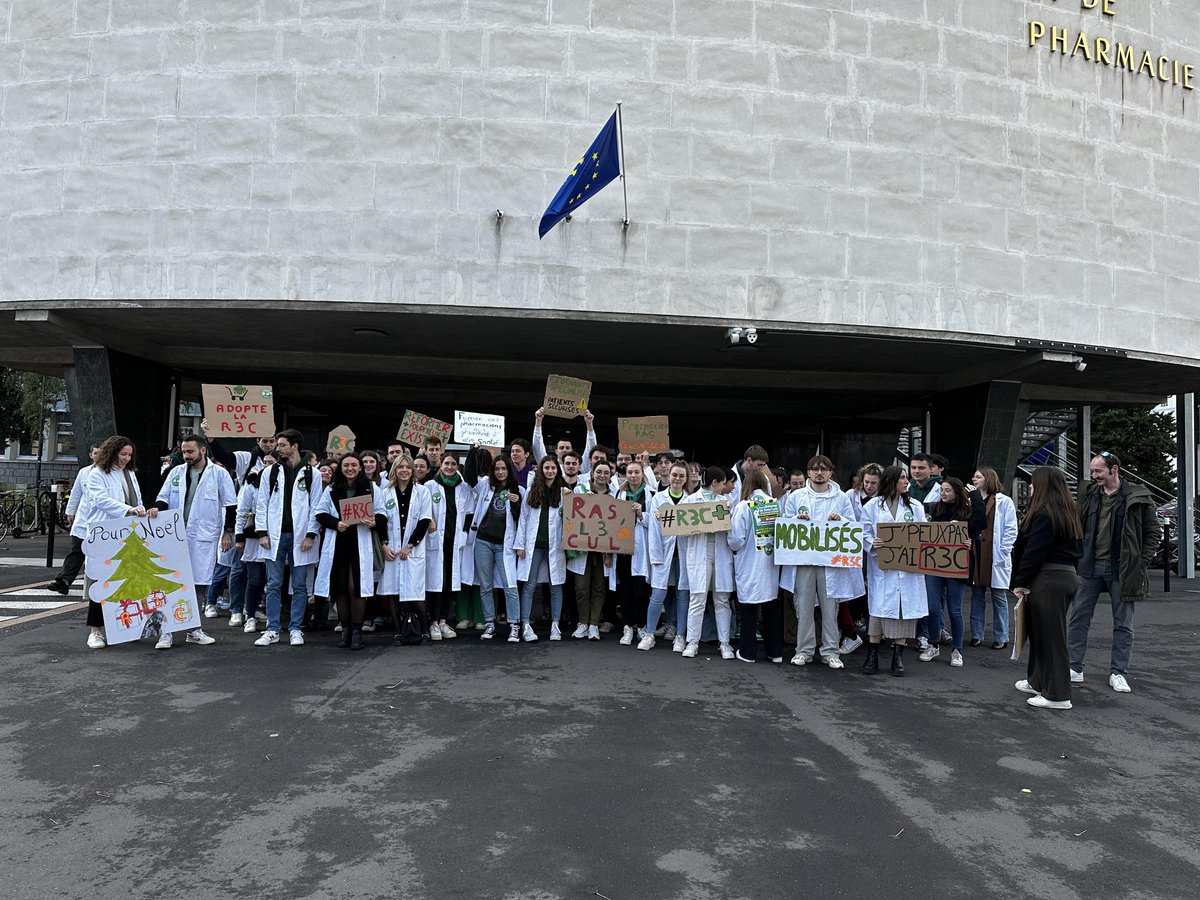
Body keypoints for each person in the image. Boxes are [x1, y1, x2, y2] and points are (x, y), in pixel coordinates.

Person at [1068, 451, 1161, 694]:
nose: (1094, 475)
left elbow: (1153, 532)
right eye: (1093, 471)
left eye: (1099, 471)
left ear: (1114, 470)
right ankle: (1074, 667)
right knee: (1078, 618)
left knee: (1123, 624)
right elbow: (1078, 524)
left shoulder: (1137, 496)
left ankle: (1118, 673)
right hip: (1089, 566)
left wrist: (1141, 561)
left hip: (1122, 569)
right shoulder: (1088, 493)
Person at [150, 434, 236, 648]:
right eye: (184, 452)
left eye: (190, 452)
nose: (186, 456)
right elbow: (164, 497)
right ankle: (166, 632)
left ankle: (193, 629)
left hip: (203, 536)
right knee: (170, 582)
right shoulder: (176, 472)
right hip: (175, 534)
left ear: (203, 450)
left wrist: (228, 532)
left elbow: (231, 505)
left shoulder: (219, 474)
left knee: (198, 583)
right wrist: (156, 509)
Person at [1011, 467, 1084, 710]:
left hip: (1048, 577)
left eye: (1033, 484)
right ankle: (1038, 681)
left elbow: (1033, 552)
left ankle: (1058, 695)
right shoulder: (1066, 511)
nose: (1030, 488)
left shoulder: (1043, 514)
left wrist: (1020, 581)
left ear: (1042, 486)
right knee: (1043, 633)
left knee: (1051, 637)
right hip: (1063, 575)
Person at [783, 455, 860, 669]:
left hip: (830, 562)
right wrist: (795, 521)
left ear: (830, 473)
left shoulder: (841, 498)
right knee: (803, 605)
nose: (819, 473)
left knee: (830, 608)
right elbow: (784, 523)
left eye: (823, 469)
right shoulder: (796, 496)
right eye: (815, 469)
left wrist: (840, 520)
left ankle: (830, 651)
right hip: (804, 560)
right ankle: (804, 650)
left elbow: (853, 525)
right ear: (808, 472)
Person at [253, 429, 322, 648]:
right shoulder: (270, 472)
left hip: (301, 536)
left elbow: (316, 506)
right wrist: (262, 532)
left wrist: (311, 534)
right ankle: (272, 629)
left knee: (300, 585)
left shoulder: (313, 474)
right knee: (273, 584)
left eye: (281, 445)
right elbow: (261, 503)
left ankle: (295, 628)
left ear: (294, 446)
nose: (277, 448)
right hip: (274, 535)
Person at [81, 436, 151, 649]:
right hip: (104, 534)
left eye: (129, 455)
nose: (126, 459)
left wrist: (140, 511)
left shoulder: (129, 473)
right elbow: (100, 500)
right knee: (101, 583)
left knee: (126, 581)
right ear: (111, 453)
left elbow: (136, 499)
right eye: (123, 454)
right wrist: (128, 510)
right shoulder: (97, 474)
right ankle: (95, 631)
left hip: (127, 535)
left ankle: (124, 625)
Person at [860, 465, 929, 676]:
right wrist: (873, 543)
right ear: (891, 481)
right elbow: (863, 532)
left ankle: (898, 657)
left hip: (907, 570)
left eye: (906, 478)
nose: (906, 481)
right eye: (902, 478)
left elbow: (924, 534)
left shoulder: (915, 506)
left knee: (903, 611)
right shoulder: (872, 506)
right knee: (878, 613)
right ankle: (872, 656)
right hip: (883, 570)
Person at [313, 454, 387, 650]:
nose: (350, 468)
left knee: (357, 588)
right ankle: (345, 630)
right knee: (340, 587)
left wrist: (374, 522)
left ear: (360, 468)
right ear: (341, 468)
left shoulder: (371, 488)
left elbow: (382, 513)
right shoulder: (331, 489)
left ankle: (357, 631)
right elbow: (320, 513)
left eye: (354, 465)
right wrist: (336, 523)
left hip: (360, 541)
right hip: (339, 541)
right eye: (346, 465)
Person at [920, 478, 982, 667]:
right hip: (934, 565)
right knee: (932, 607)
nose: (944, 493)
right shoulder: (934, 509)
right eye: (942, 490)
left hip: (956, 565)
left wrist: (975, 497)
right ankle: (933, 643)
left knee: (955, 610)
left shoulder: (966, 511)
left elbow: (980, 523)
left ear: (956, 491)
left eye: (948, 490)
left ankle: (956, 649)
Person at [677, 466, 736, 659]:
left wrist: (729, 514)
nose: (725, 487)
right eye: (723, 483)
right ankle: (692, 642)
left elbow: (733, 530)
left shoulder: (726, 501)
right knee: (698, 598)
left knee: (722, 599)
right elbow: (679, 528)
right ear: (715, 483)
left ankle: (724, 643)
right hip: (699, 553)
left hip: (720, 553)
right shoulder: (691, 501)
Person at [728, 469, 783, 663]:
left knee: (749, 608)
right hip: (771, 564)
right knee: (771, 608)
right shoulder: (775, 505)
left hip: (750, 562)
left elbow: (736, 539)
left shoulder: (744, 506)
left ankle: (748, 652)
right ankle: (775, 651)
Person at [466, 454, 523, 640]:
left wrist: (516, 504)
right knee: (486, 586)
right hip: (483, 541)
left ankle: (515, 624)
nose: (500, 472)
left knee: (510, 585)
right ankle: (489, 624)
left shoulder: (519, 490)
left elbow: (521, 520)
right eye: (497, 469)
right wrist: (472, 450)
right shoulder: (485, 486)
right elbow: (468, 476)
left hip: (504, 545)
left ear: (509, 470)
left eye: (503, 468)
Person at [377, 454, 433, 642]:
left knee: (416, 591)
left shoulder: (422, 491)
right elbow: (381, 520)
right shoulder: (385, 493)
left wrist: (410, 545)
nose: (404, 471)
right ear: (394, 470)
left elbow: (425, 520)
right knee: (392, 590)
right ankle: (398, 631)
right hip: (392, 549)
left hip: (412, 550)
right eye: (400, 467)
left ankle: (424, 630)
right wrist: (384, 545)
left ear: (413, 471)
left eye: (408, 467)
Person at [515, 455, 568, 641]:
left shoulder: (564, 493)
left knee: (556, 586)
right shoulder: (532, 492)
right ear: (541, 470)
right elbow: (523, 519)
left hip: (555, 546)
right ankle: (526, 624)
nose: (550, 471)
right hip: (534, 545)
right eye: (547, 468)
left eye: (553, 468)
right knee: (529, 585)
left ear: (557, 470)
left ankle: (555, 624)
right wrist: (519, 545)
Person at [640, 461, 691, 651]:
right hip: (663, 553)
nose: (677, 479)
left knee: (682, 594)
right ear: (668, 476)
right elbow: (653, 531)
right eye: (674, 475)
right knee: (658, 594)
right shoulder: (658, 499)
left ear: (686, 479)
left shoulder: (691, 501)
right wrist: (655, 556)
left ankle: (679, 635)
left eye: (681, 476)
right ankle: (650, 633)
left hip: (684, 555)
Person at [968, 466, 1019, 650]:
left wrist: (1004, 550)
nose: (974, 479)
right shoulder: (971, 500)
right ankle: (976, 635)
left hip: (995, 552)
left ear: (988, 478)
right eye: (974, 477)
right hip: (977, 550)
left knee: (998, 596)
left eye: (979, 477)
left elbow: (1011, 528)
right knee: (977, 594)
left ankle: (1001, 636)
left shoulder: (1003, 501)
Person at [425, 452, 473, 641]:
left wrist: (464, 533)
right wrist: (429, 520)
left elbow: (469, 513)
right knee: (437, 583)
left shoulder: (464, 488)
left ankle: (443, 621)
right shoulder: (430, 486)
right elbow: (422, 509)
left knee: (450, 584)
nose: (450, 467)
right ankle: (433, 622)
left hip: (455, 542)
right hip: (436, 541)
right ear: (440, 465)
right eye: (446, 463)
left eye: (453, 464)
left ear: (458, 466)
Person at [569, 460, 617, 640]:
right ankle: (583, 622)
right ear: (592, 473)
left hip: (604, 549)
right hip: (582, 547)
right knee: (581, 587)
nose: (602, 475)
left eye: (606, 472)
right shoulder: (580, 490)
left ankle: (594, 624)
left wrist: (610, 551)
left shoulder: (616, 494)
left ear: (610, 475)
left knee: (599, 587)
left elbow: (616, 524)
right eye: (599, 472)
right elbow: (568, 514)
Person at [229, 452, 274, 632]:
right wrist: (239, 537)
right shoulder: (251, 483)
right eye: (266, 462)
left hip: (275, 537)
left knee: (272, 580)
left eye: (273, 463)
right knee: (254, 578)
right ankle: (250, 615)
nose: (268, 466)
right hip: (254, 538)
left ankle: (271, 616)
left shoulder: (283, 484)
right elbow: (242, 511)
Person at [47, 444, 99, 595]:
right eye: (95, 453)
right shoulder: (84, 472)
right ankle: (63, 581)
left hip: (100, 521)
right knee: (77, 550)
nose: (97, 456)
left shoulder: (112, 472)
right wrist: (71, 511)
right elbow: (76, 493)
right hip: (83, 518)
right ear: (90, 455)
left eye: (100, 453)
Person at [611, 460, 653, 646]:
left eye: (637, 472)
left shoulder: (651, 494)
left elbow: (656, 523)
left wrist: (641, 514)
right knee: (626, 589)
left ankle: (642, 626)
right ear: (626, 474)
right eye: (630, 472)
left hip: (642, 549)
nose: (633, 476)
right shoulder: (619, 494)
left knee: (641, 591)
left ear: (642, 474)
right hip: (623, 549)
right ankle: (628, 626)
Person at [532, 407, 597, 473]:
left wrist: (589, 424)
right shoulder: (549, 466)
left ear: (572, 450)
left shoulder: (580, 466)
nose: (564, 450)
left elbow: (591, 448)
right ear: (556, 451)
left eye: (567, 448)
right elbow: (537, 447)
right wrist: (538, 421)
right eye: (561, 448)